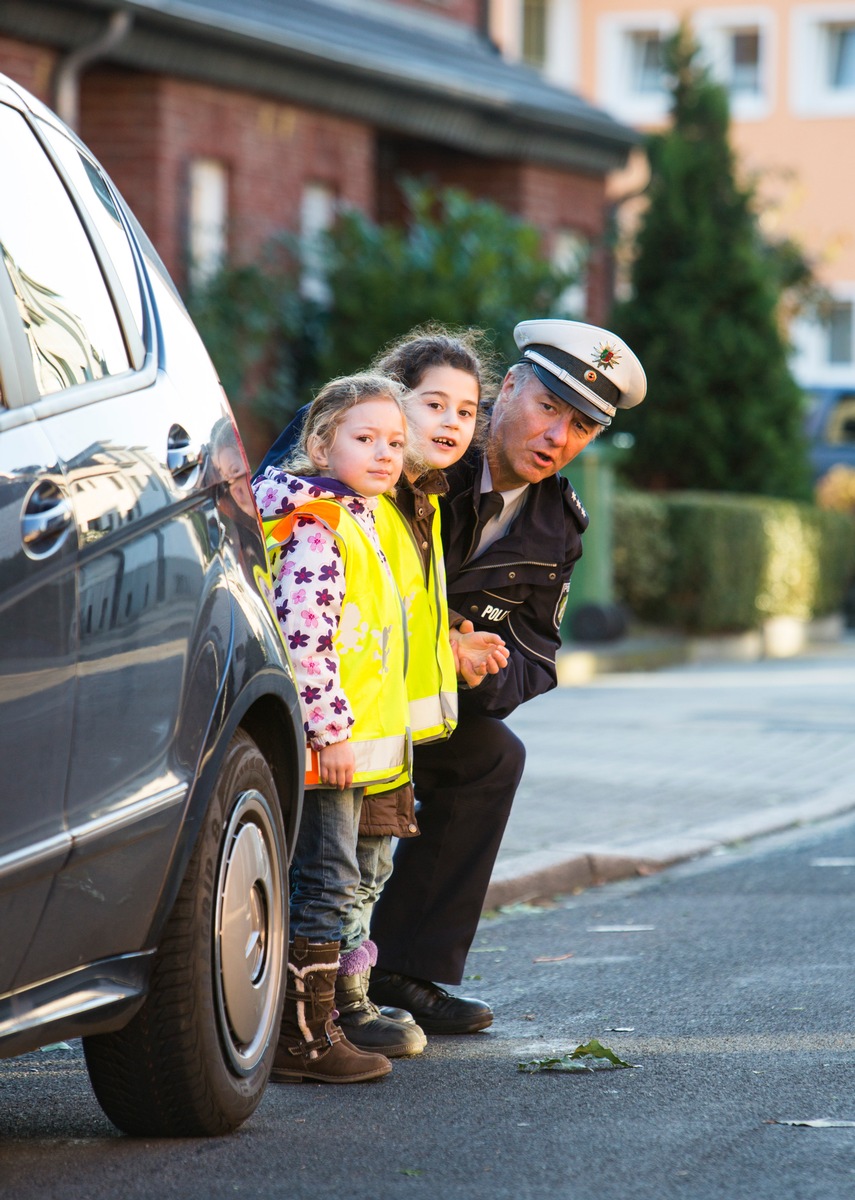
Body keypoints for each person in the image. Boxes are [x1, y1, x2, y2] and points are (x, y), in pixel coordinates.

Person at [366, 319, 647, 1034]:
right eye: (549, 408)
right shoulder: (415, 453)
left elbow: (536, 654)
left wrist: (479, 668)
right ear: (509, 389)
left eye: (581, 426)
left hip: (430, 700)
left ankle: (403, 970)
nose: (558, 437)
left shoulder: (557, 524)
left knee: (490, 753)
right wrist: (441, 645)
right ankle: (314, 965)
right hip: (343, 686)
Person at [330, 331, 509, 1057]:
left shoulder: (419, 496)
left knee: (363, 864)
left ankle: (366, 989)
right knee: (339, 869)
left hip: (388, 728)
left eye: (465, 412)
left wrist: (452, 647)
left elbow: (403, 611)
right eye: (432, 403)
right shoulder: (364, 493)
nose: (449, 423)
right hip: (348, 721)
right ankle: (333, 1007)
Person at [252, 372, 412, 1084]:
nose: (384, 453)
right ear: (321, 443)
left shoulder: (363, 516)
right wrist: (328, 731)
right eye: (365, 438)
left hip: (347, 745)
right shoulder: (321, 524)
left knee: (332, 878)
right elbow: (303, 634)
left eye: (395, 443)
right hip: (329, 746)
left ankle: (307, 1030)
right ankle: (302, 1039)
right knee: (323, 880)